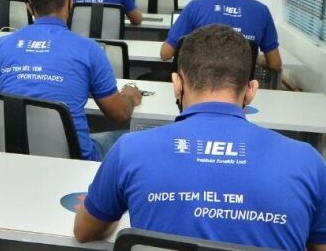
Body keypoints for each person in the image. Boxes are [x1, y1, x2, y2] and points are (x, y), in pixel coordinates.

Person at [75, 25, 326, 250]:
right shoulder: (309, 163)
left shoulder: (129, 151)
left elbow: (84, 231)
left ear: (177, 84)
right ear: (251, 91)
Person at [0, 0, 141, 160]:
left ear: (29, 8)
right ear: (71, 2)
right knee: (134, 139)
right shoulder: (89, 50)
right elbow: (118, 114)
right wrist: (129, 97)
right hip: (74, 161)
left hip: (12, 156)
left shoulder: (2, 45)